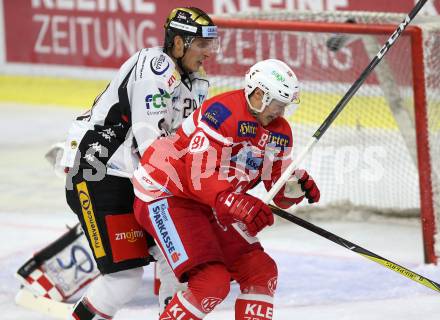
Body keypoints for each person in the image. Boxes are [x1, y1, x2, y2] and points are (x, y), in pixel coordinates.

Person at [60, 7, 220, 319]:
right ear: (178, 43)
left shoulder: (197, 84)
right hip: (101, 174)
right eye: (201, 45)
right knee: (123, 280)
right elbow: (152, 145)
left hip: (139, 179)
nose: (208, 54)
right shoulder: (156, 66)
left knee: (178, 259)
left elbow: (187, 144)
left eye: (210, 45)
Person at [132, 59, 320, 320]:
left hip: (211, 201)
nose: (280, 112)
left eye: (284, 105)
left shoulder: (280, 132)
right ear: (259, 95)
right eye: (277, 103)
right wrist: (235, 202)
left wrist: (293, 188)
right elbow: (198, 175)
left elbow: (276, 186)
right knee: (211, 282)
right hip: (166, 192)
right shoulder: (221, 113)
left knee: (260, 271)